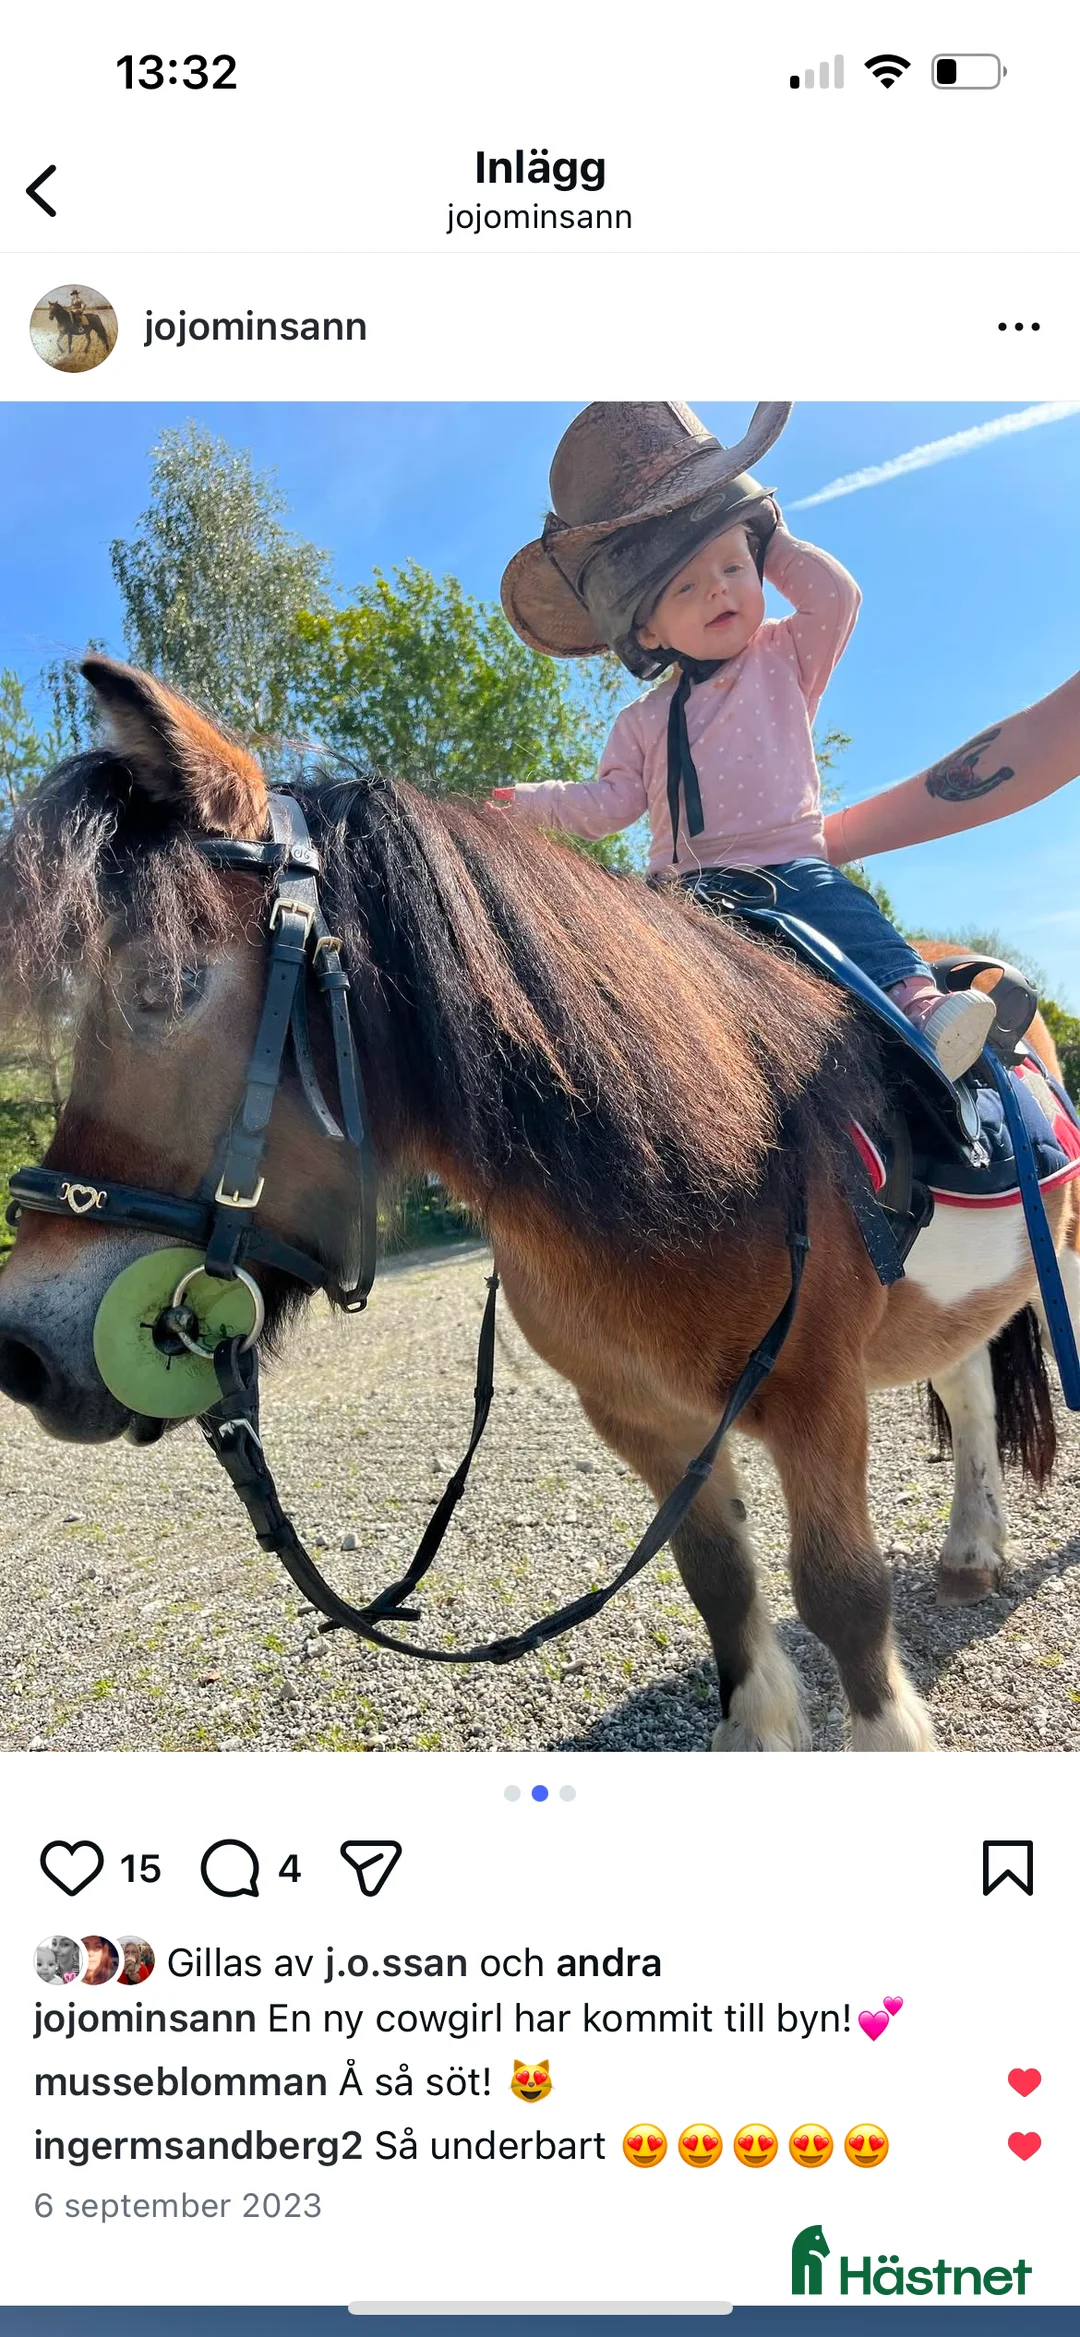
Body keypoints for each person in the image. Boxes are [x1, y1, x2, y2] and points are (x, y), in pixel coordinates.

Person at [494, 401, 996, 1079]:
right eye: (687, 586)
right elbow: (609, 804)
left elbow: (836, 596)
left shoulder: (783, 657)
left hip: (786, 868)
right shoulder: (642, 720)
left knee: (845, 912)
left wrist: (769, 532)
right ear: (648, 632)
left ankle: (919, 1004)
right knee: (618, 972)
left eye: (734, 566)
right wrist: (528, 803)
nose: (718, 591)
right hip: (683, 891)